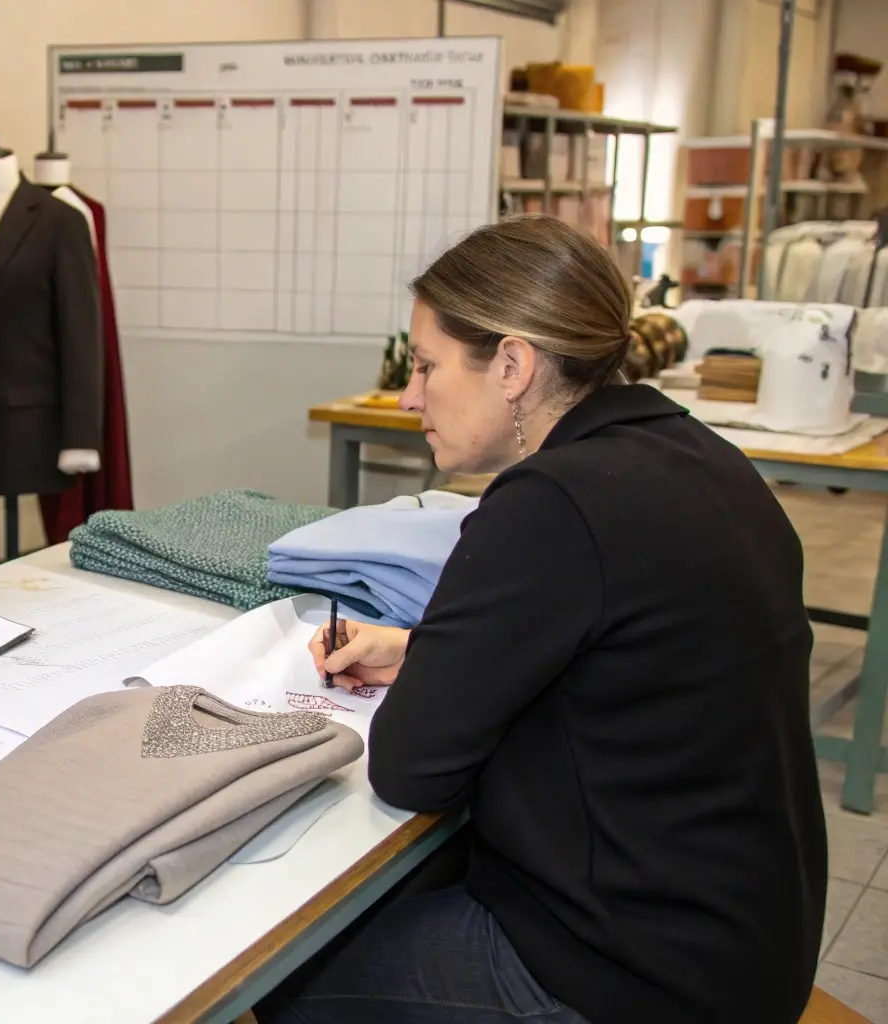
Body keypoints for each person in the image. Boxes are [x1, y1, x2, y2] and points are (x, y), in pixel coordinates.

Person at [262, 216, 826, 1024]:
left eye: (426, 366)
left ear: (514, 365)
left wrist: (440, 669)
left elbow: (410, 769)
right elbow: (619, 654)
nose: (408, 395)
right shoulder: (697, 456)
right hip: (749, 940)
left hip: (635, 981)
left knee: (289, 968)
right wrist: (427, 650)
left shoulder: (548, 505)